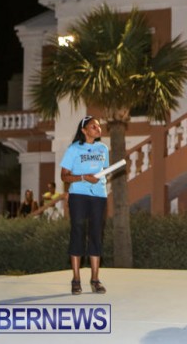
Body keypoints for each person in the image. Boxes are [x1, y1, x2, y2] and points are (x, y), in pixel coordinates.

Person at [60, 115, 110, 295]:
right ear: (84, 130)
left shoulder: (103, 148)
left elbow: (105, 170)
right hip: (78, 195)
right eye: (93, 126)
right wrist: (83, 177)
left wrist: (99, 177)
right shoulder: (74, 149)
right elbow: (64, 176)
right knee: (78, 232)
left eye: (98, 126)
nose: (98, 129)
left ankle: (95, 279)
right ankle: (76, 279)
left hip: (99, 195)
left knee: (96, 234)